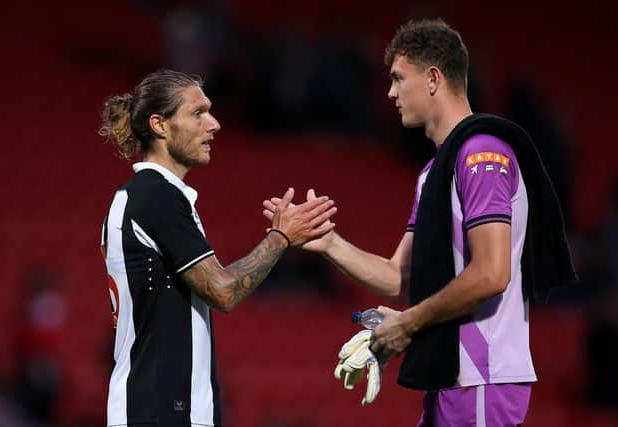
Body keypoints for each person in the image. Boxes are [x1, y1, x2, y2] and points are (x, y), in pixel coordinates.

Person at [264, 19, 575, 426]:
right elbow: (399, 275)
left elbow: (492, 273)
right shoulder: (434, 172)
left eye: (397, 78)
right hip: (452, 378)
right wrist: (329, 242)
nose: (390, 93)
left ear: (432, 79)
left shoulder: (481, 155)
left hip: (480, 380)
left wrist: (408, 324)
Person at [98, 69, 337, 427]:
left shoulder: (142, 196)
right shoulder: (155, 197)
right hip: (160, 412)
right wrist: (281, 236)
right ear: (159, 125)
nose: (214, 124)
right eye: (198, 113)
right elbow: (223, 291)